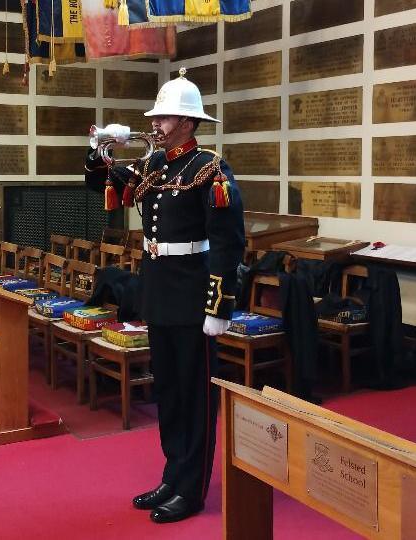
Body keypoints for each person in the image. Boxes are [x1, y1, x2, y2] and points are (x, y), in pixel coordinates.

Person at [84, 68, 246, 523]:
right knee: (169, 393)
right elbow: (105, 182)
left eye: (166, 118)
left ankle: (191, 490)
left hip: (194, 298)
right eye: (157, 117)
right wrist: (100, 148)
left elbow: (230, 242)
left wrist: (218, 306)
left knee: (195, 397)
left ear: (189, 122)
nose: (156, 124)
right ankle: (173, 476)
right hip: (160, 292)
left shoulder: (210, 168)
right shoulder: (156, 164)